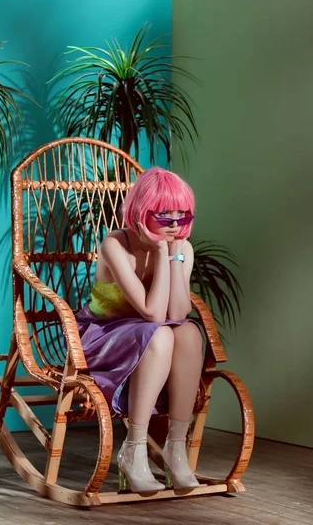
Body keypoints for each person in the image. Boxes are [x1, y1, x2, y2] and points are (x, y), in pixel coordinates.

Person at [74, 166, 205, 493]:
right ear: (141, 212)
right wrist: (161, 251)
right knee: (160, 333)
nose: (174, 225)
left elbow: (175, 311)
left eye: (182, 216)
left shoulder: (182, 248)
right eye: (164, 216)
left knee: (188, 333)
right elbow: (152, 313)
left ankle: (176, 449)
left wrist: (174, 254)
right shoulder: (115, 245)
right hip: (103, 335)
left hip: (147, 333)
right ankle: (133, 449)